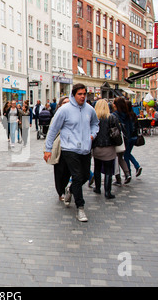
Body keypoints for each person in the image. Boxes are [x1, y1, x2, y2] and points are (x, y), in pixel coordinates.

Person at [43, 83, 99, 222]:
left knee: (85, 175)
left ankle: (70, 190)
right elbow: (53, 129)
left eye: (84, 94)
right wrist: (47, 149)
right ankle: (80, 208)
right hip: (69, 148)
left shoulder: (89, 109)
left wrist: (92, 134)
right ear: (74, 94)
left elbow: (95, 123)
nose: (82, 96)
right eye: (80, 94)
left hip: (85, 148)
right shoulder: (64, 110)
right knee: (77, 176)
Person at [91, 99, 121, 199]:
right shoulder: (112, 117)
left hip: (97, 147)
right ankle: (107, 192)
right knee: (108, 170)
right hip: (109, 147)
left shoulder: (94, 118)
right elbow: (118, 131)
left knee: (97, 168)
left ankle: (97, 187)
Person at [48, 96, 71, 202]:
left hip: (72, 147)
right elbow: (51, 134)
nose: (66, 104)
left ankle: (68, 188)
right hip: (60, 147)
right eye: (64, 102)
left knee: (69, 171)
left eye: (68, 102)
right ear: (60, 105)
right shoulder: (56, 117)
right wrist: (47, 149)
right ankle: (60, 191)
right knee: (60, 171)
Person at [112, 97, 132, 185]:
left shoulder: (114, 115)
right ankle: (127, 174)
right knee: (120, 158)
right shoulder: (128, 114)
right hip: (126, 139)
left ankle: (118, 178)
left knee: (116, 158)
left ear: (116, 105)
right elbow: (131, 127)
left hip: (118, 139)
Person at [124, 100, 142, 177]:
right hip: (134, 137)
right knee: (127, 153)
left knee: (126, 155)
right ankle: (137, 166)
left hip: (129, 138)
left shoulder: (126, 115)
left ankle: (129, 172)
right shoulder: (134, 114)